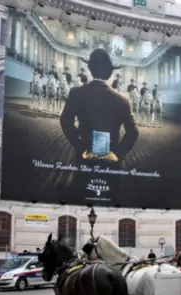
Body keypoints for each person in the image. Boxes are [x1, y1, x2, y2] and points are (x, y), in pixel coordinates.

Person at [60, 48, 140, 202]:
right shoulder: (122, 99)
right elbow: (133, 132)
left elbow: (65, 121)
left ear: (90, 69)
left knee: (82, 195)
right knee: (111, 198)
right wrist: (117, 154)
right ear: (110, 74)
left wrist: (81, 146)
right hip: (111, 161)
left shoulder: (76, 93)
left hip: (84, 157)